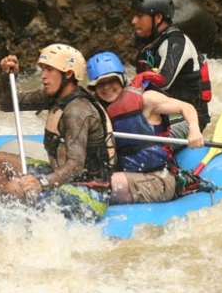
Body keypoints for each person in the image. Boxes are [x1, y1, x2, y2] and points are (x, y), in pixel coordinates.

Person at [0, 44, 116, 221]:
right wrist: (7, 76)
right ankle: (7, 213)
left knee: (14, 188)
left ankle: (12, 219)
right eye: (43, 69)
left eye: (49, 70)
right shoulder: (55, 97)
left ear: (68, 74)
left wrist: (41, 183)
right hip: (63, 176)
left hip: (88, 194)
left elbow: (75, 165)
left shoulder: (77, 111)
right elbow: (6, 104)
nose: (43, 75)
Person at [86, 51, 205, 203]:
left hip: (158, 179)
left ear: (122, 79)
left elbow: (186, 108)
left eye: (112, 81)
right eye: (101, 83)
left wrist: (194, 130)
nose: (107, 87)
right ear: (94, 88)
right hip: (128, 175)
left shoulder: (146, 99)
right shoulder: (96, 111)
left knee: (96, 185)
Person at [130, 0, 212, 138]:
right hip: (161, 111)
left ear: (158, 17)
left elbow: (162, 83)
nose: (133, 21)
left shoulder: (176, 43)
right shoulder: (151, 44)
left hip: (188, 116)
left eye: (139, 16)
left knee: (140, 141)